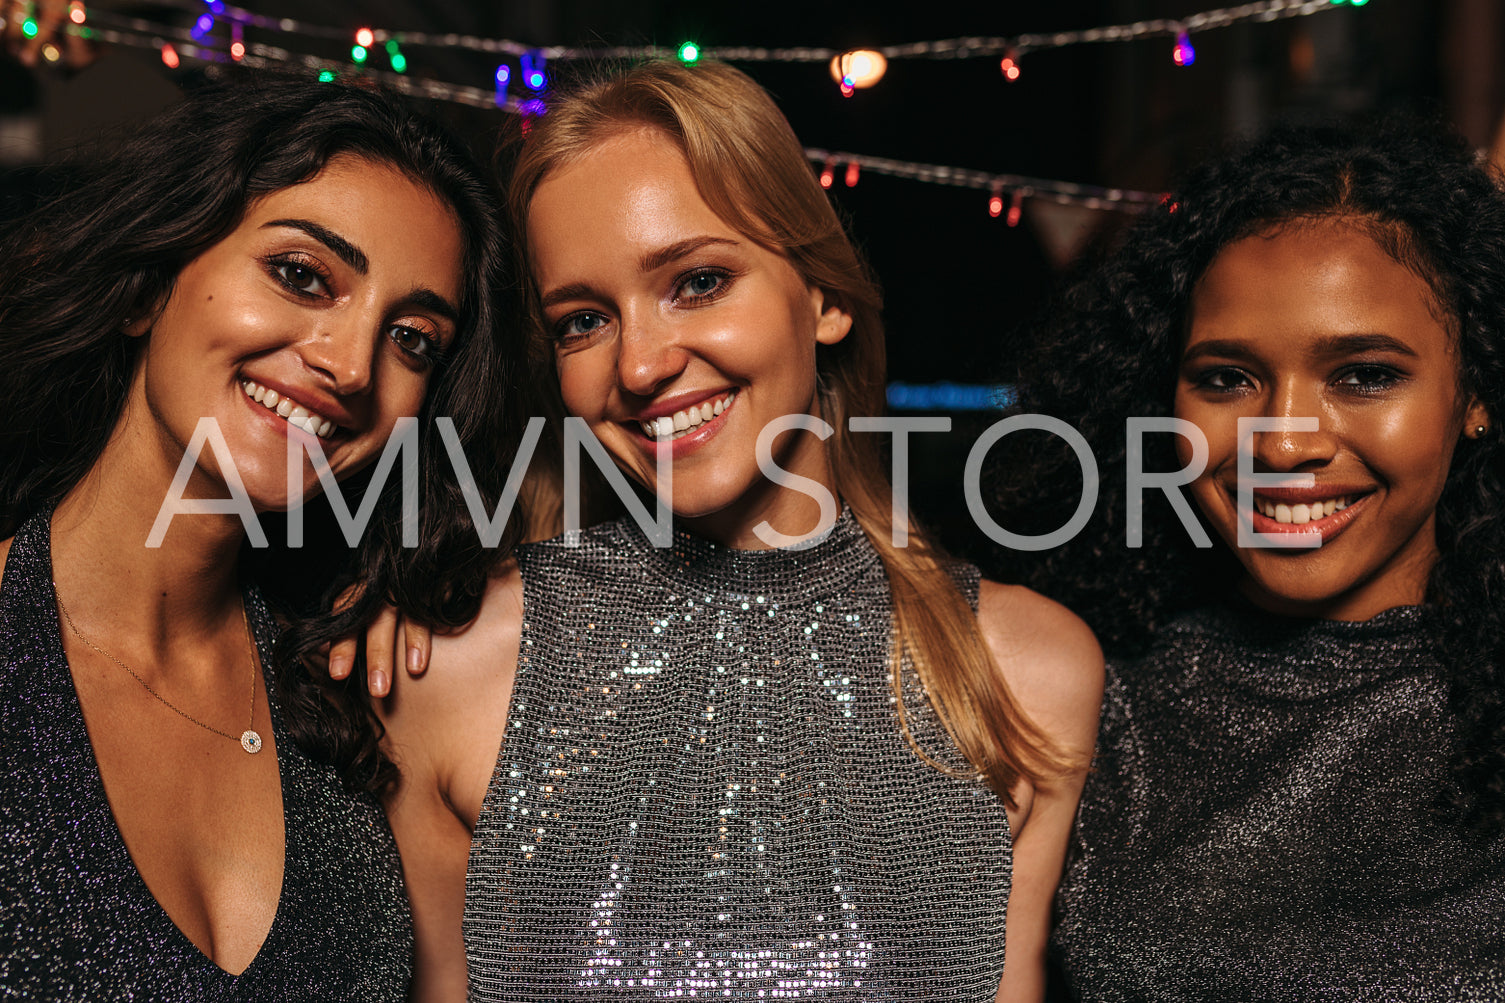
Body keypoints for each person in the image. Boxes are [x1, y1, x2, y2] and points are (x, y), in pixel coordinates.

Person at [337, 59, 1103, 1002]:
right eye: (582, 320)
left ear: (822, 297)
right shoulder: (448, 666)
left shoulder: (1026, 673)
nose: (643, 362)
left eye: (697, 281)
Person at [0, 72, 522, 999]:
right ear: (148, 286)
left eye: (412, 340)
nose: (351, 364)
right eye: (301, 275)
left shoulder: (351, 692)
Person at [997, 120, 1505, 999]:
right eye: (1227, 379)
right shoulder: (1087, 711)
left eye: (1364, 374)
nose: (1284, 442)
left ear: (1474, 395)